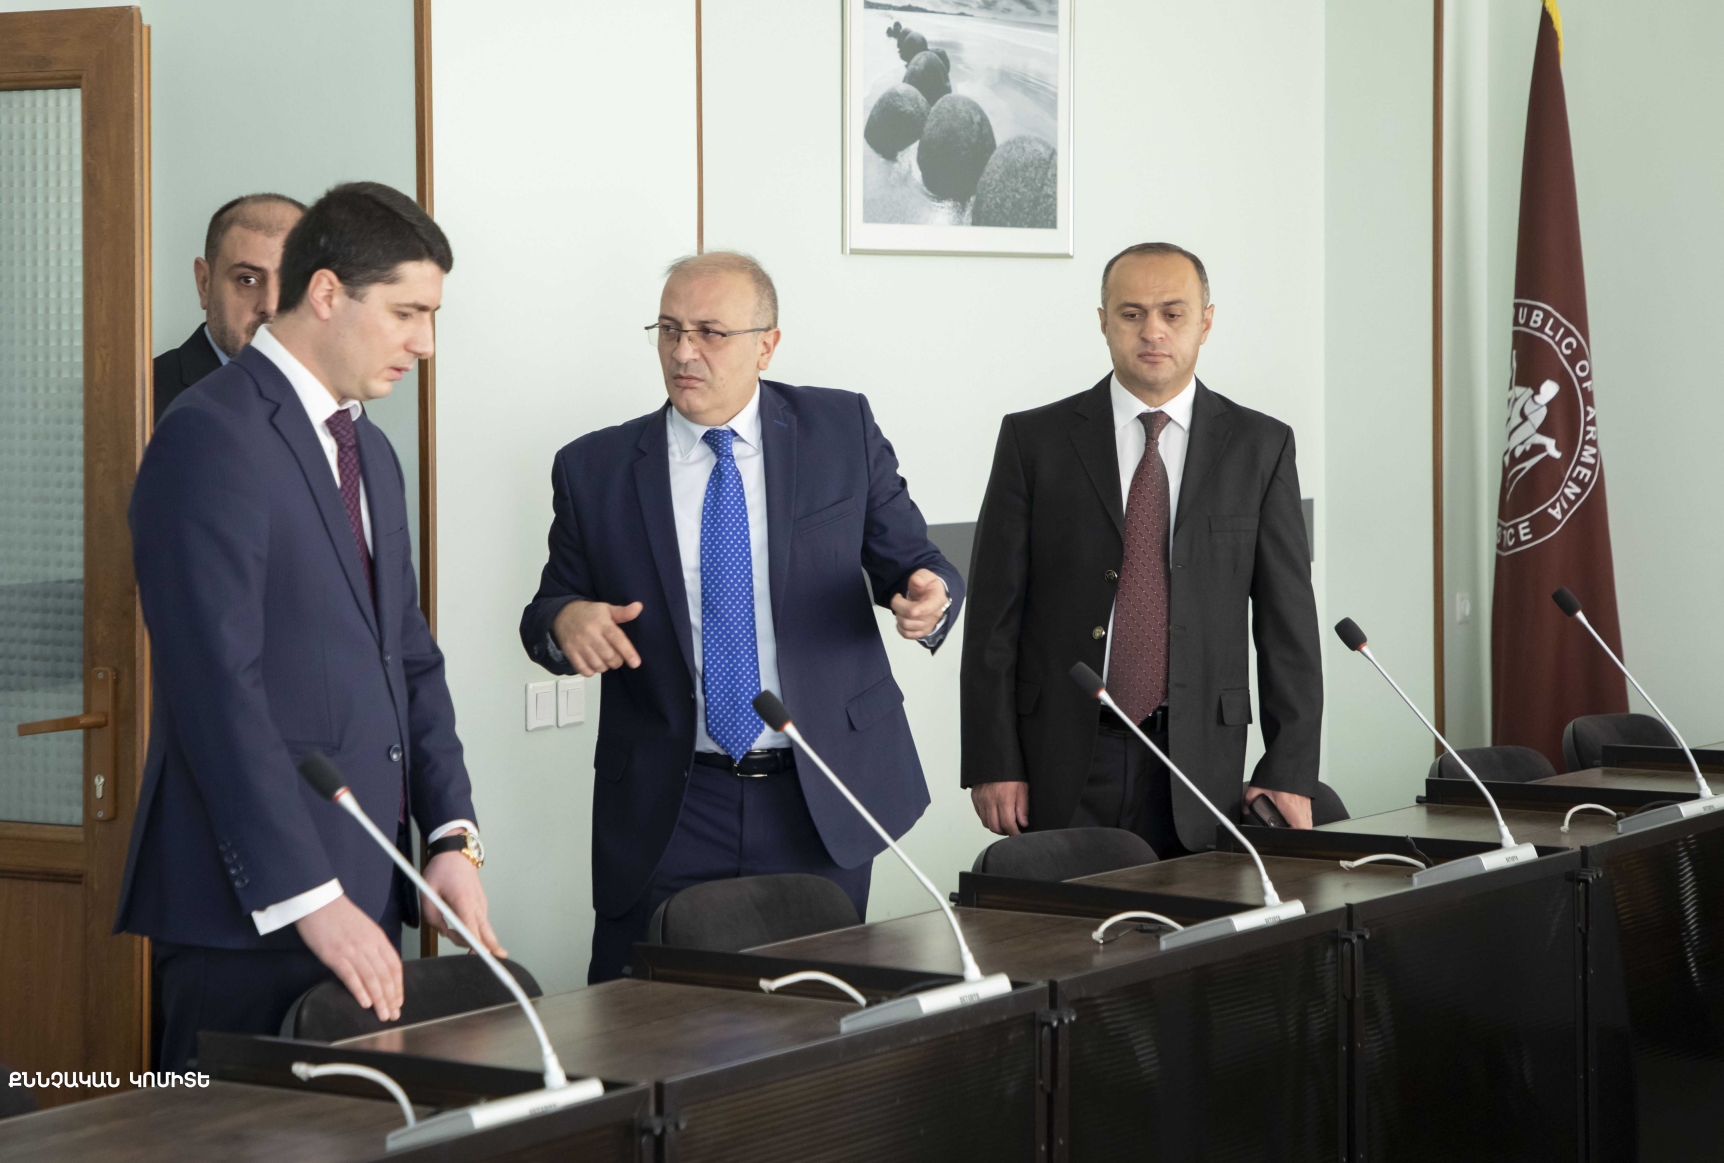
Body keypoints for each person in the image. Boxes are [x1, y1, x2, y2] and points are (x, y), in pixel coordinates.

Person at [118, 181, 500, 1071]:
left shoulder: (372, 450)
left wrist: (450, 835)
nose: (426, 343)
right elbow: (217, 692)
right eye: (407, 313)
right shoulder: (209, 434)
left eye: (432, 316)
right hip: (252, 914)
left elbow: (408, 657)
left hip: (366, 893)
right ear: (327, 293)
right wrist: (308, 895)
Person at [520, 251, 964, 983]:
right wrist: (565, 624)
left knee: (816, 1008)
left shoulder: (839, 429)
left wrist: (931, 592)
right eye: (669, 330)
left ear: (767, 344)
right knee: (645, 1012)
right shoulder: (594, 468)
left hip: (819, 790)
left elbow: (913, 561)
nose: (682, 352)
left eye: (710, 332)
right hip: (671, 800)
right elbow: (548, 608)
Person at [960, 241, 1321, 857]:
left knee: (1197, 915)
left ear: (1206, 321)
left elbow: (1288, 624)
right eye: (1131, 314)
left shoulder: (1260, 446)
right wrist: (993, 760)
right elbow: (994, 618)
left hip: (1199, 753)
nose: (1152, 331)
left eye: (1173, 313)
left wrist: (1289, 765)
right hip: (1064, 748)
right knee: (1066, 915)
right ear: (1104, 321)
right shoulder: (1034, 440)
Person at [153, 192, 304, 422]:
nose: (271, 307)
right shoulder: (143, 399)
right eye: (247, 280)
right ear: (204, 283)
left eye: (291, 280)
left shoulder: (335, 400)